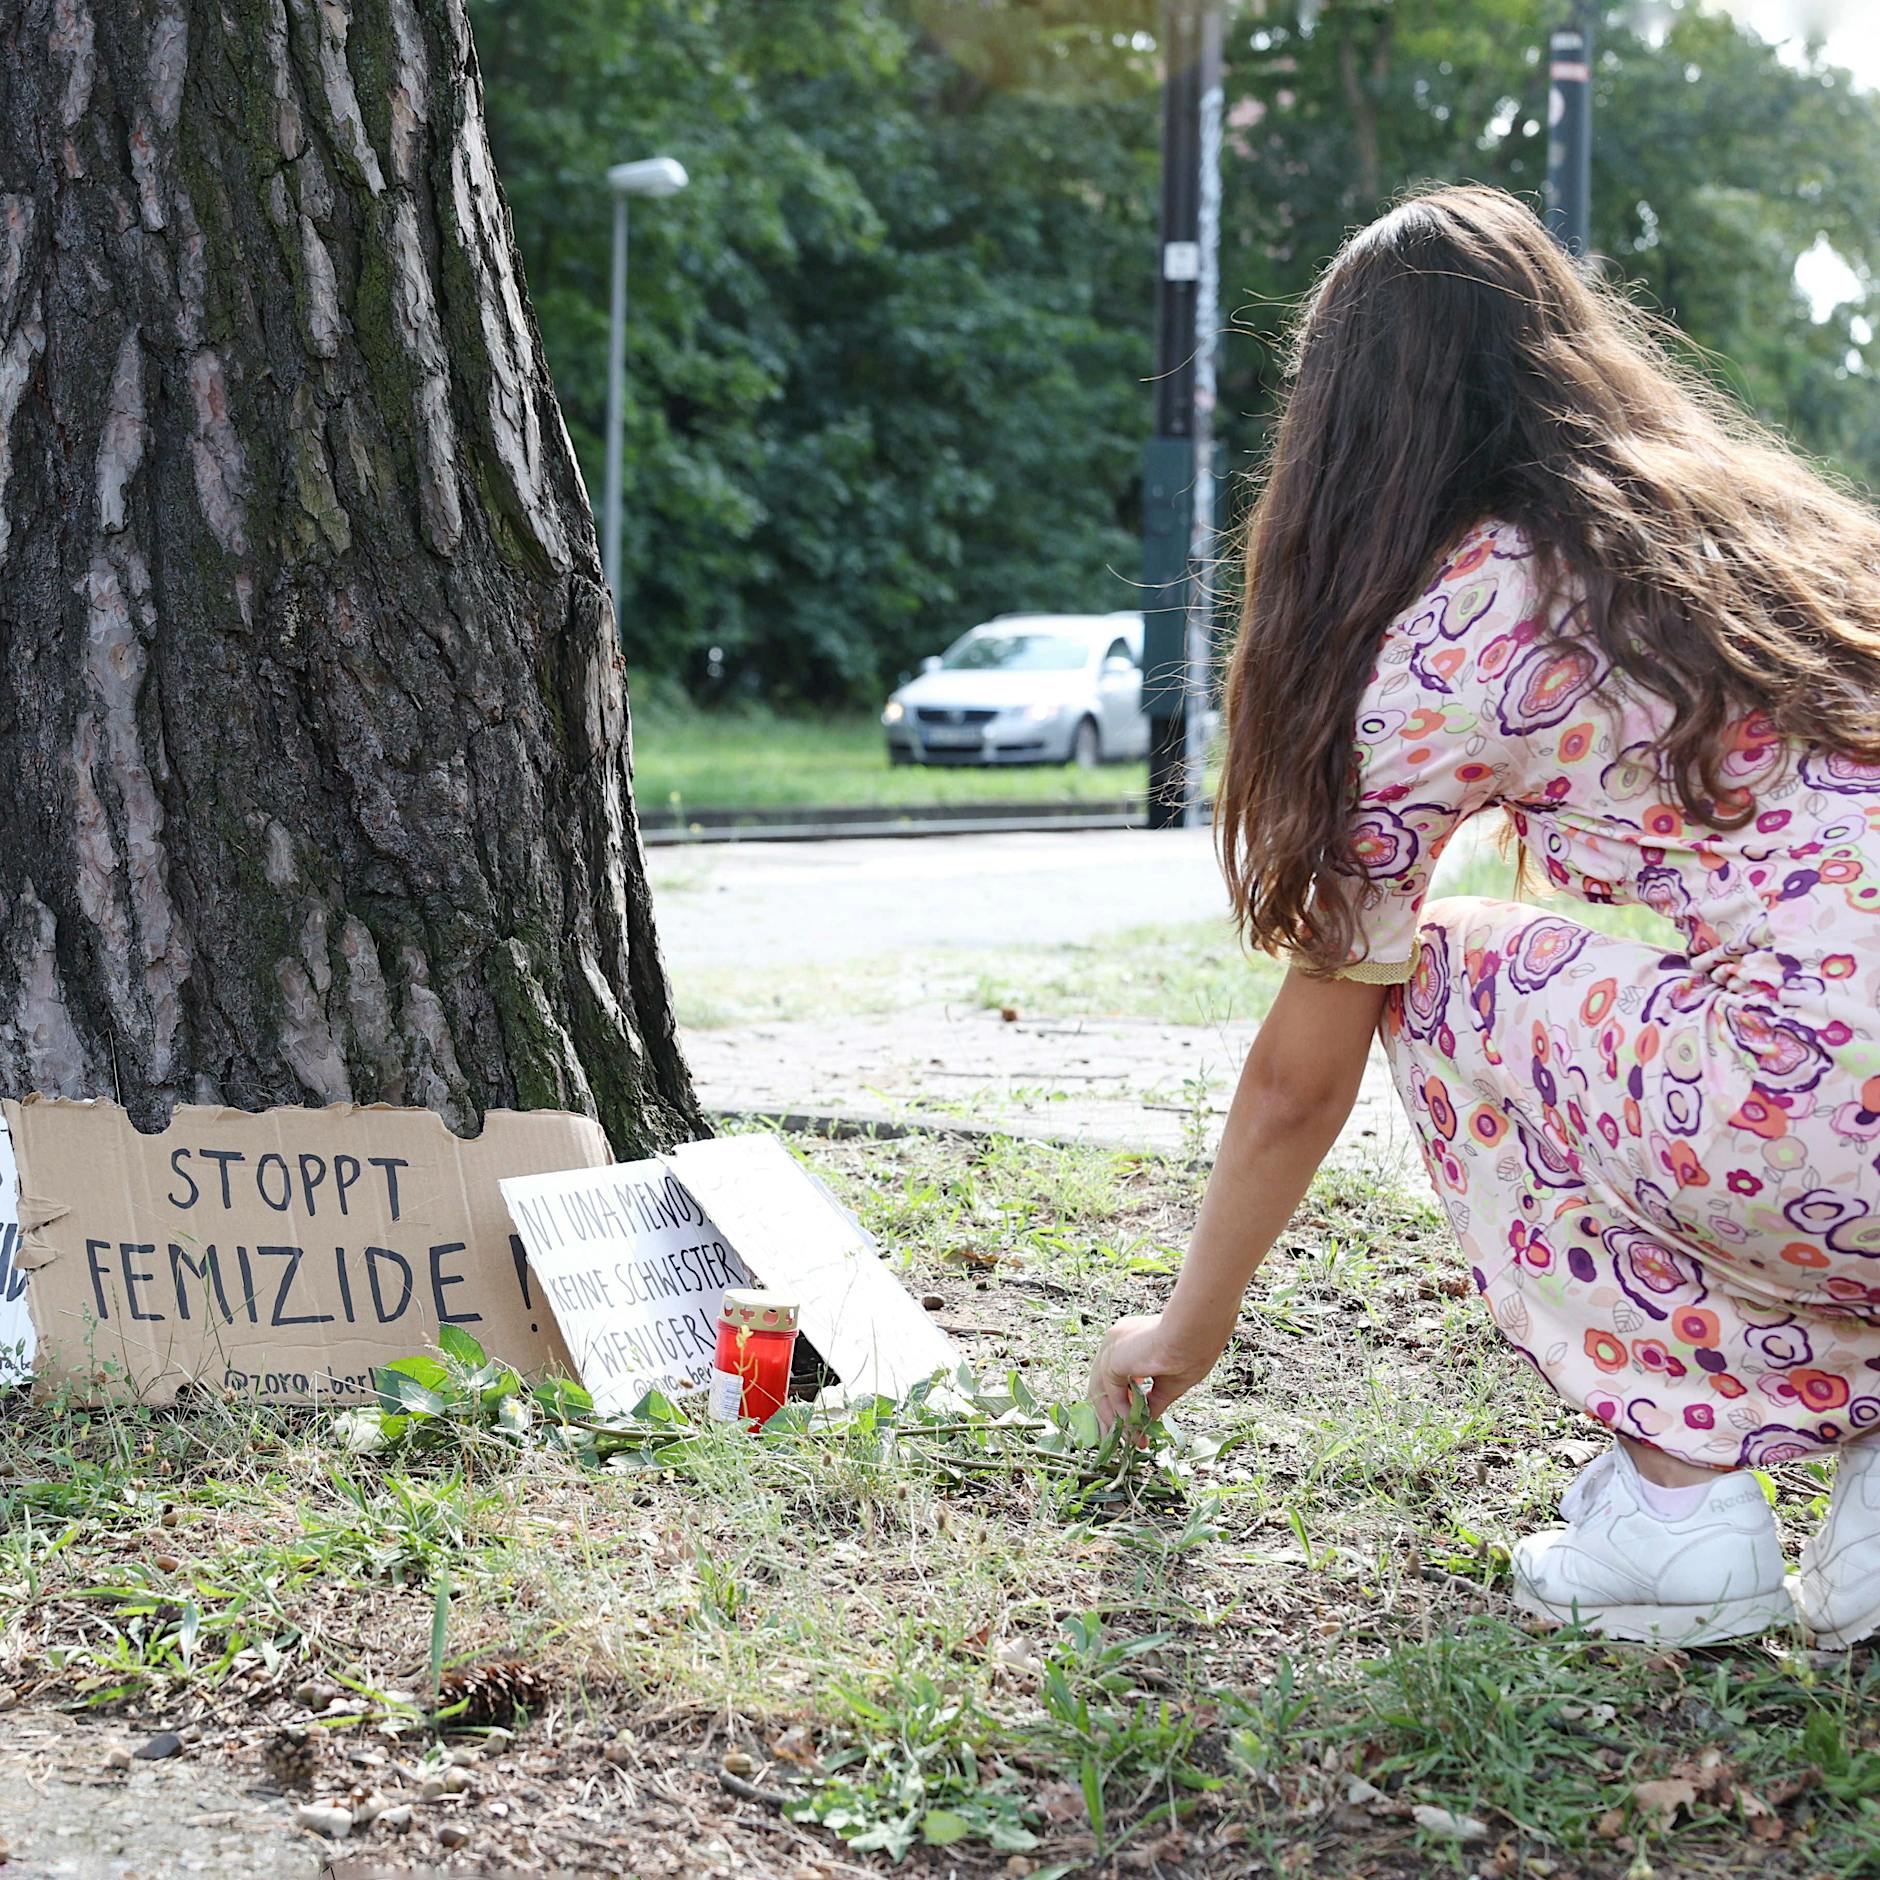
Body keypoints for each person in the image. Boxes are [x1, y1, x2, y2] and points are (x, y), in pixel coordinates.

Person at [1088, 185, 1880, 1648]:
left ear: (1347, 427)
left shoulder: (1462, 622)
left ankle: (1673, 1511)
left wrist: (1181, 1329)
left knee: (1450, 969)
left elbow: (1297, 1075)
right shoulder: (1761, 535)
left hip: (1834, 1110)